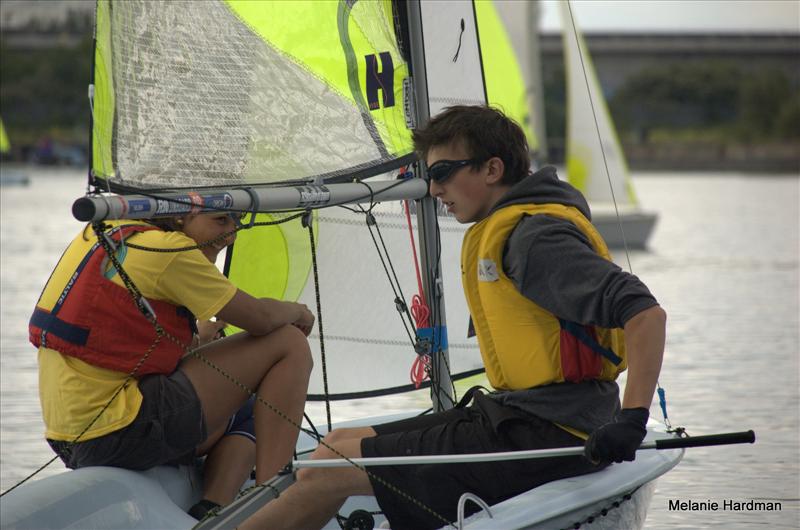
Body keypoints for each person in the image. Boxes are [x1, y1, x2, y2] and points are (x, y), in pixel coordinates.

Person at [239, 105, 666, 530]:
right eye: (428, 177)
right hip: (517, 417)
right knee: (333, 448)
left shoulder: (535, 238)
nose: (434, 189)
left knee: (332, 466)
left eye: (442, 173)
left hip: (552, 436)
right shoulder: (510, 227)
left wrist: (632, 419)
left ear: (492, 169)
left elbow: (644, 313)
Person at [30, 211, 315, 519]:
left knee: (249, 408)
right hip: (118, 431)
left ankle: (209, 510)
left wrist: (196, 340)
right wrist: (298, 312)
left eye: (237, 221)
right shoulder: (169, 251)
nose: (232, 234)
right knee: (288, 343)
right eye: (221, 220)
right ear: (180, 216)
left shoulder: (108, 232)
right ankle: (277, 510)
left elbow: (119, 340)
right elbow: (261, 319)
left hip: (72, 438)